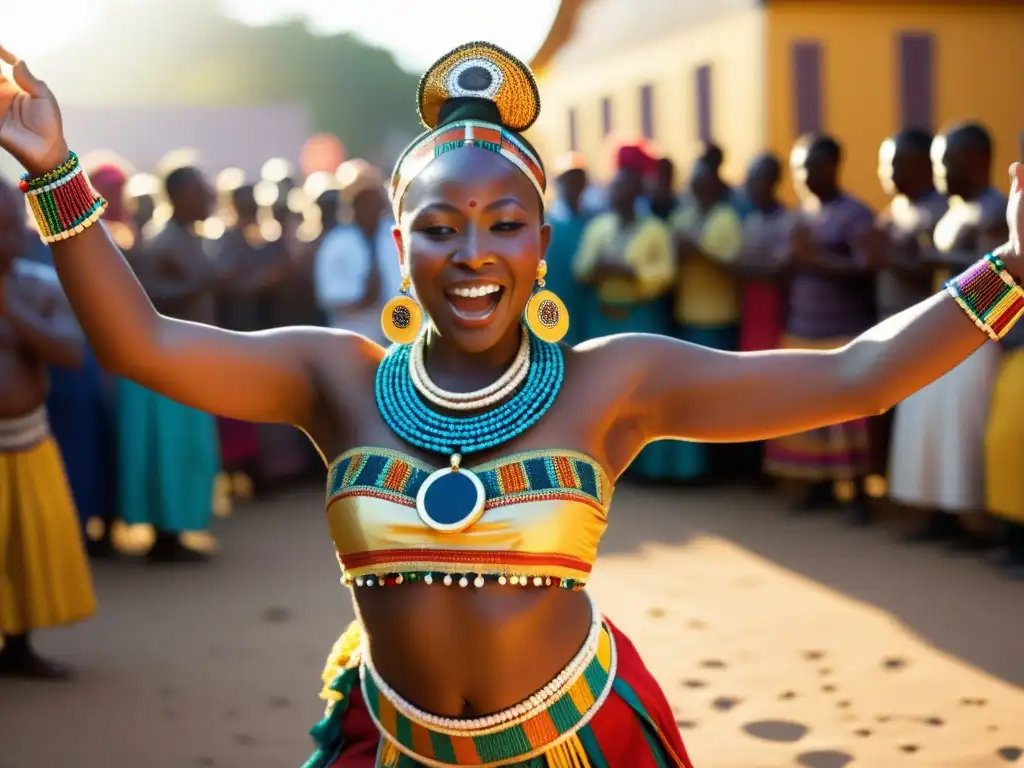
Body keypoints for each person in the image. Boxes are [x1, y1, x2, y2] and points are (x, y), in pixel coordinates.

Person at [2, 40, 1021, 768]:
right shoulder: (338, 378)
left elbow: (853, 375)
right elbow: (141, 343)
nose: (473, 253)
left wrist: (1012, 265)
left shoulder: (609, 382)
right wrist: (54, 173)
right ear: (402, 249)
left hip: (573, 743)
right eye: (440, 227)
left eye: (503, 224)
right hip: (396, 746)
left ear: (540, 243)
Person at [888, 123, 1008, 545]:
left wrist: (936, 258)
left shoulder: (996, 210)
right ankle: (940, 512)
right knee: (932, 422)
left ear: (975, 161)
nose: (938, 171)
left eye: (946, 161)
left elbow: (999, 274)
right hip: (944, 331)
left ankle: (974, 520)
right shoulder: (953, 209)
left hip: (977, 336)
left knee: (963, 426)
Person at [0, 177, 95, 678]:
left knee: (25, 549)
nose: (5, 241)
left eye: (11, 228)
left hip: (27, 440)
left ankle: (18, 646)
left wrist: (13, 316)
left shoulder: (37, 286)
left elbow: (72, 353)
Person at [763, 134, 878, 523]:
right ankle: (818, 489)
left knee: (847, 419)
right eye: (797, 169)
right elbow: (783, 266)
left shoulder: (855, 214)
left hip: (841, 331)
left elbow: (866, 268)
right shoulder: (800, 216)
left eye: (809, 167)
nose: (802, 176)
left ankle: (859, 497)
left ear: (832, 166)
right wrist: (790, 258)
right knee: (808, 415)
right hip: (802, 327)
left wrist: (812, 257)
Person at [117, 164, 223, 563]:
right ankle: (165, 535)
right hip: (167, 367)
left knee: (186, 451)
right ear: (178, 196)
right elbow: (149, 301)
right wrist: (202, 281)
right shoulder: (162, 243)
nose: (209, 197)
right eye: (200, 190)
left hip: (187, 361)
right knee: (169, 451)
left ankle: (175, 532)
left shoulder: (185, 237)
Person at [871, 130, 949, 500]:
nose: (884, 171)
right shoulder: (895, 210)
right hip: (886, 325)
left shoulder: (938, 211)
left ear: (920, 164)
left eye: (893, 163)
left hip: (924, 335)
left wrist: (887, 257)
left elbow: (934, 272)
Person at [315, 159, 403, 346]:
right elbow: (328, 296)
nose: (371, 207)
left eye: (375, 200)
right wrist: (363, 301)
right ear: (352, 205)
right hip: (353, 335)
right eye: (364, 201)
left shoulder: (395, 236)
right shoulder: (336, 243)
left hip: (397, 335)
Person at [544, 152, 592, 345]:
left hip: (587, 314)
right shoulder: (546, 223)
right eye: (569, 179)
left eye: (579, 179)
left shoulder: (592, 222)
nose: (574, 185)